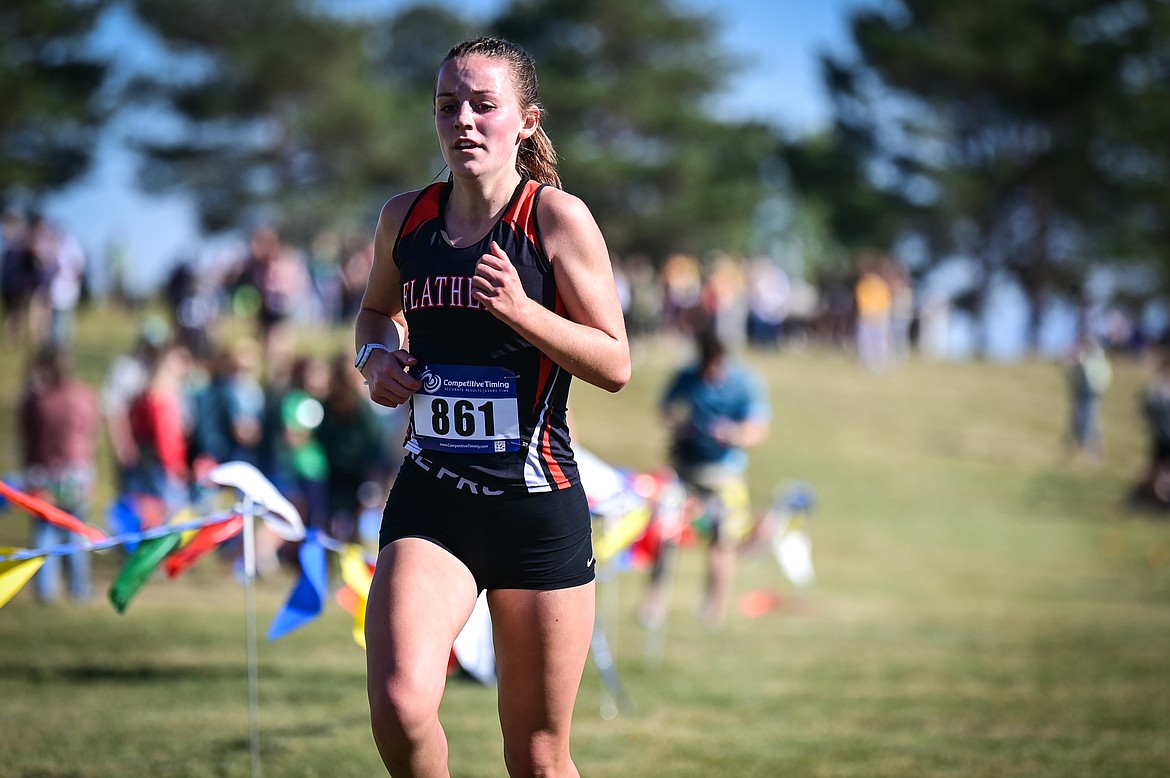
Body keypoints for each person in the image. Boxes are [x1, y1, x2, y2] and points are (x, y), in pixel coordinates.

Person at [354, 36, 630, 778]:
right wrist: (372, 360)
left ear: (527, 121)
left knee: (538, 758)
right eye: (449, 106)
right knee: (402, 705)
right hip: (432, 499)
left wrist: (522, 311)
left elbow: (615, 361)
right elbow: (375, 315)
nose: (465, 121)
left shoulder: (557, 220)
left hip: (536, 508)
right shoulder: (404, 220)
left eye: (485, 105)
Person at [643, 324, 770, 629]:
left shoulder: (744, 382)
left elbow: (758, 429)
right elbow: (664, 408)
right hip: (684, 467)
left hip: (724, 472)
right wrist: (679, 423)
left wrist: (735, 434)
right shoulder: (687, 375)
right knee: (665, 533)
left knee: (722, 539)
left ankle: (714, 611)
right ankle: (653, 606)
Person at [17, 344, 101, 603]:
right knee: (75, 528)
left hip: (43, 472)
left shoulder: (36, 401)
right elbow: (91, 433)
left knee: (45, 530)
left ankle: (45, 590)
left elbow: (27, 437)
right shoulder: (85, 396)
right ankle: (80, 589)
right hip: (77, 472)